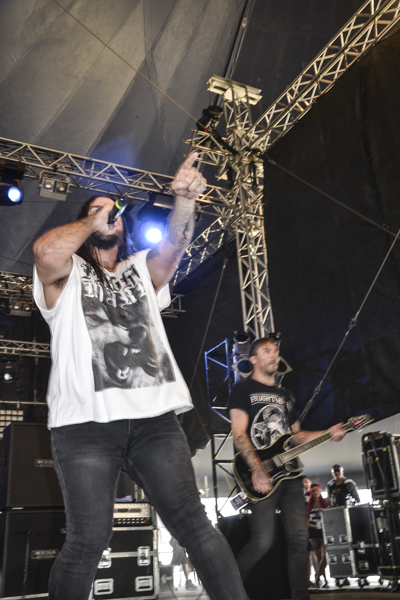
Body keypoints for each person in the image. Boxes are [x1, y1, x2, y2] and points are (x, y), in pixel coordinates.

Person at [33, 153, 249, 600]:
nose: (107, 213)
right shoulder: (66, 275)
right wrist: (93, 218)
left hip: (155, 422)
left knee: (194, 524)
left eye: (111, 210)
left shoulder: (140, 269)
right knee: (88, 540)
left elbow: (176, 244)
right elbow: (44, 252)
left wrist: (184, 200)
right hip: (85, 426)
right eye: (96, 210)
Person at [228, 335, 347, 600]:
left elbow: (296, 436)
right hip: (260, 472)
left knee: (299, 538)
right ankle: (227, 592)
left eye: (276, 351)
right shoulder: (242, 390)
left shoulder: (286, 395)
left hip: (291, 475)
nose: (274, 355)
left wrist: (328, 433)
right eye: (267, 351)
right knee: (261, 542)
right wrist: (257, 469)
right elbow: (239, 433)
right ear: (253, 359)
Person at [308, 483, 328, 588]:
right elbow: (307, 522)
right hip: (314, 530)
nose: (315, 492)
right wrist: (316, 526)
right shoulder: (309, 505)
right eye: (313, 490)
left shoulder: (325, 502)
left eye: (317, 490)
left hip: (323, 530)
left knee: (325, 556)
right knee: (319, 556)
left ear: (320, 491)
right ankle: (323, 579)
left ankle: (318, 577)